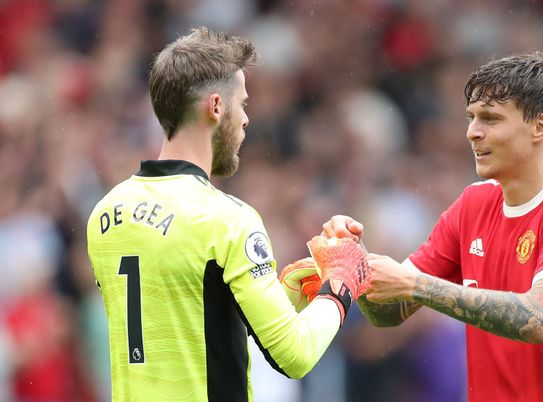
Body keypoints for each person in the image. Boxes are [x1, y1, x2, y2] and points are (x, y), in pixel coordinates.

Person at [323, 53, 543, 402]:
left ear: (540, 126)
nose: (472, 132)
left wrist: (415, 285)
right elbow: (388, 314)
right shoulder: (473, 205)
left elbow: (538, 318)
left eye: (490, 119)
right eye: (471, 118)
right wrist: (356, 266)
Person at [86, 27, 354, 402]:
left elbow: (189, 324)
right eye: (242, 103)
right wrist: (340, 287)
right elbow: (295, 355)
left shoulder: (106, 213)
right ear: (215, 107)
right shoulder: (227, 219)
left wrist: (295, 289)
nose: (246, 119)